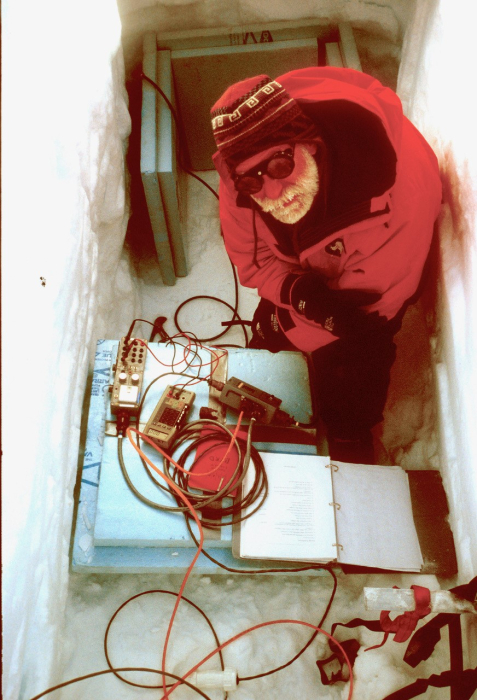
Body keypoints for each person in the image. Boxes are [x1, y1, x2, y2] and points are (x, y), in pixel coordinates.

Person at [210, 67, 442, 464]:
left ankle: (350, 430)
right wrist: (295, 294)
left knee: (357, 360)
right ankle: (272, 361)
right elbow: (255, 262)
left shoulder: (393, 197)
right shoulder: (240, 182)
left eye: (282, 166)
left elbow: (364, 310)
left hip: (374, 300)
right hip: (309, 272)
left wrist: (302, 319)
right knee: (276, 329)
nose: (273, 191)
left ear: (310, 144)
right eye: (252, 181)